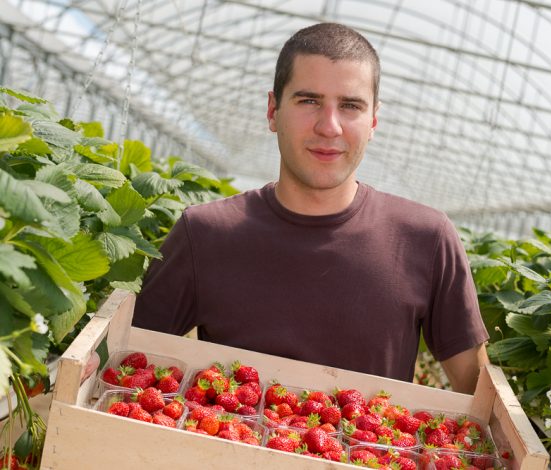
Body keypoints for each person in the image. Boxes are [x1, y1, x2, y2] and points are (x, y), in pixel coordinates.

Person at [131, 22, 489, 393]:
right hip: (224, 449)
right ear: (273, 110)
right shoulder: (204, 234)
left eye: (350, 106)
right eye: (309, 101)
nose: (329, 126)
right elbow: (127, 361)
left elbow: (478, 395)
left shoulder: (426, 240)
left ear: (374, 122)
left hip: (368, 451)